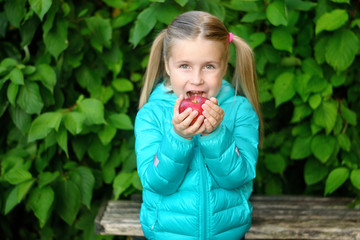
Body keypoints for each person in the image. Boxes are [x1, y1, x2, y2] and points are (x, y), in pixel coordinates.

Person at [134, 10, 263, 240]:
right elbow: (156, 183)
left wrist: (215, 135)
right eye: (185, 66)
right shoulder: (151, 115)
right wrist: (178, 138)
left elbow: (238, 176)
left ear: (224, 66)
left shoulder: (239, 111)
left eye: (209, 66)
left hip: (228, 235)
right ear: (167, 66)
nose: (197, 79)